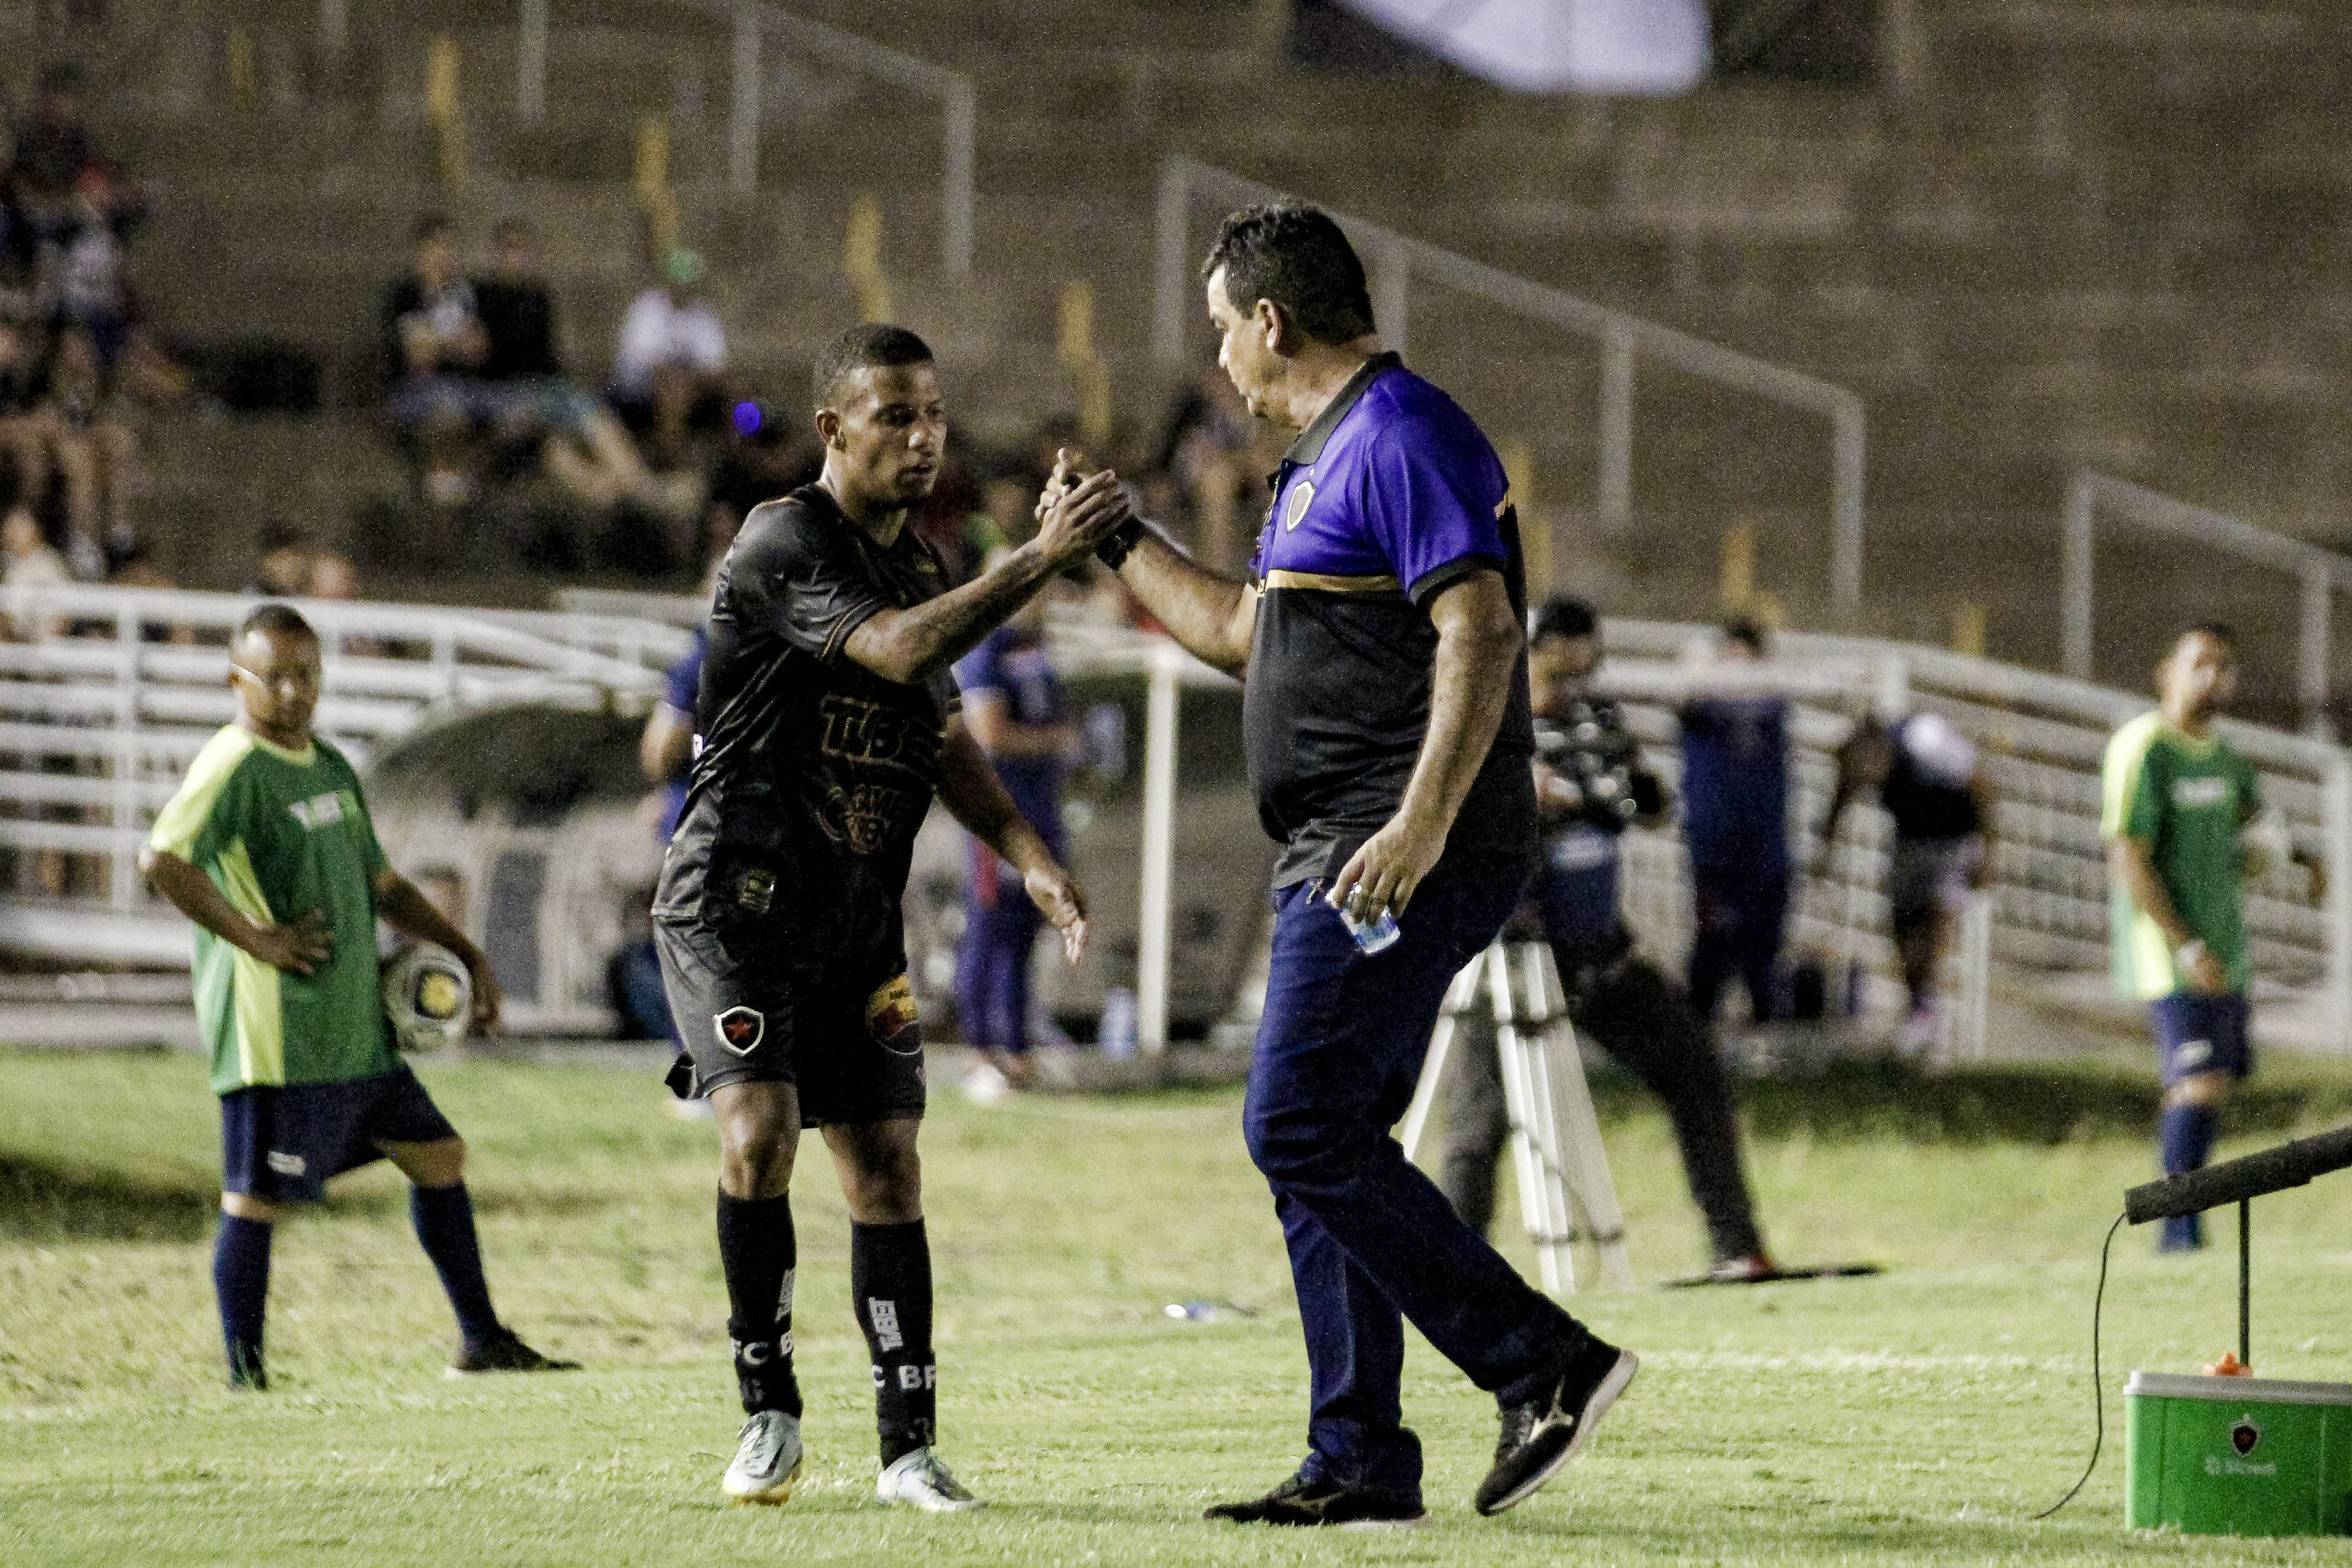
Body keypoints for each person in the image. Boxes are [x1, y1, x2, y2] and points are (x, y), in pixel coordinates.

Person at [1093, 203, 1634, 1529]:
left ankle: (1545, 1362)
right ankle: (1359, 1457)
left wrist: (1419, 822)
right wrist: (1115, 538)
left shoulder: (1403, 433)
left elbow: (1485, 626)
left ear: (1270, 320)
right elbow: (1239, 632)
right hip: (1345, 842)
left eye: (1223, 328)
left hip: (1395, 845)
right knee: (1322, 1136)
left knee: (1294, 1120)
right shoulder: (1324, 461)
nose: (1219, 360)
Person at [650, 324, 1129, 1510]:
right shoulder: (783, 540)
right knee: (759, 1128)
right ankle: (767, 1409)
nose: (922, 441)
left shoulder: (922, 563)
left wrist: (1028, 852)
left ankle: (908, 1446)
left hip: (854, 911)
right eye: (895, 419)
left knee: (887, 1162)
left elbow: (941, 733)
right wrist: (1036, 559)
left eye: (934, 418)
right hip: (735, 902)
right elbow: (895, 650)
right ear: (832, 429)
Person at [137, 604, 575, 1388]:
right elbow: (163, 860)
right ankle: (246, 1379)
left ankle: (482, 1340)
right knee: (254, 1198)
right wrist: (257, 938)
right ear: (237, 680)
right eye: (274, 677)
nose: (293, 691)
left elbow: (381, 883)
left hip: (354, 1028)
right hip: (277, 1034)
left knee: (438, 1154)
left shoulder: (332, 766)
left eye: (306, 674)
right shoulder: (233, 765)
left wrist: (463, 947)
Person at [1439, 597, 1771, 1279]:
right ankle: (1453, 1276)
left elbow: (1644, 806)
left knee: (1693, 1066)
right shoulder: (1484, 726)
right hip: (1506, 951)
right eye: (1557, 672)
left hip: (1596, 948)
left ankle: (1737, 1245)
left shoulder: (1599, 721)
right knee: (1478, 1121)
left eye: (1581, 672)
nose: (1569, 688)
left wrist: (1616, 798)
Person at [2102, 624, 2270, 1252]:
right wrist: (2186, 945)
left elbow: (2258, 823)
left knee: (2214, 1082)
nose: (2213, 677)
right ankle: (2178, 1236)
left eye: (2226, 666)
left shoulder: (2228, 758)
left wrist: (2296, 857)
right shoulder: (2144, 746)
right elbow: (2128, 854)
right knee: (2195, 1082)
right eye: (2199, 663)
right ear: (2164, 671)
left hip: (2227, 950)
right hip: (2173, 956)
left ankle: (2185, 1228)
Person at [952, 581, 1077, 1088]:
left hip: (1042, 810)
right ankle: (980, 1050)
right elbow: (988, 730)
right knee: (989, 925)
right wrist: (1056, 740)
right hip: (997, 816)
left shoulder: (1036, 645)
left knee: (1027, 929)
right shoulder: (987, 645)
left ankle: (1017, 1049)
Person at [1823, 709, 1997, 1054]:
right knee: (1901, 929)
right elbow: (1842, 797)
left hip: (1953, 842)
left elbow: (1980, 783)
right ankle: (1919, 1009)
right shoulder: (1862, 767)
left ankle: (1927, 1014)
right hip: (1910, 845)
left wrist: (1988, 853)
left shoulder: (1924, 740)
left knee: (1934, 927)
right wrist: (1826, 852)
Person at [1679, 616, 1792, 1024]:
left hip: (1764, 846)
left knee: (1762, 943)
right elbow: (1684, 699)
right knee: (1714, 936)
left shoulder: (1770, 703)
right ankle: (1700, 1029)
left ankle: (1765, 1026)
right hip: (1715, 846)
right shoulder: (1703, 702)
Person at [381, 214, 492, 506]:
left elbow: (478, 349)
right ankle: (441, 475)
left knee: (514, 410)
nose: (444, 255)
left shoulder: (463, 295)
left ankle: (471, 479)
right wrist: (453, 342)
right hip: (417, 388)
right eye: (436, 247)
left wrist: (439, 341)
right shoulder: (405, 294)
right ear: (421, 252)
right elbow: (418, 354)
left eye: (449, 247)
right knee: (446, 407)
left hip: (464, 384)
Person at [609, 248, 731, 468]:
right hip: (637, 389)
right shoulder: (648, 308)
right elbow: (651, 364)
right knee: (672, 389)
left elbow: (716, 367)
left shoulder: (701, 315)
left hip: (689, 388)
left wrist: (693, 382)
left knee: (737, 392)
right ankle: (671, 460)